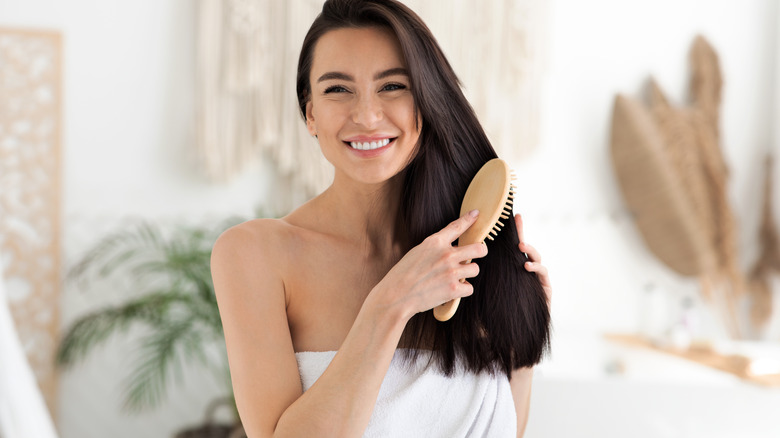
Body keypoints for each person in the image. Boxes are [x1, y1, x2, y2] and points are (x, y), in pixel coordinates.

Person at [211, 1, 552, 436]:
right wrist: (389, 306)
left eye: (392, 86)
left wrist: (523, 336)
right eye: (338, 89)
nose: (367, 116)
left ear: (425, 102)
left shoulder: (470, 254)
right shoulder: (255, 254)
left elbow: (502, 428)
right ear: (310, 113)